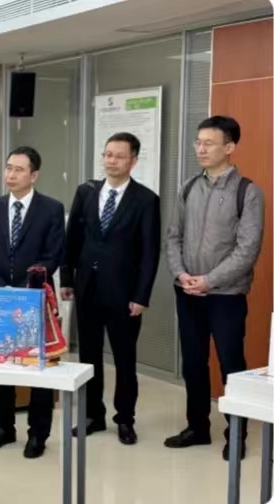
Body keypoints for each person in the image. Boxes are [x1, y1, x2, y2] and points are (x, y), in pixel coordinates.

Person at [164, 116, 264, 460]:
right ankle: (197, 427)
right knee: (193, 362)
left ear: (230, 147)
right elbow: (173, 236)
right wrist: (182, 275)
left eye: (209, 143)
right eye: (198, 142)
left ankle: (236, 435)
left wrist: (209, 280)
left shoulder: (247, 192)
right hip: (187, 292)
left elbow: (247, 250)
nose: (201, 149)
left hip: (226, 296)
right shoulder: (189, 187)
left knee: (230, 364)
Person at [60, 132, 160, 446]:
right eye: (107, 154)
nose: (111, 161)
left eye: (119, 156)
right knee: (88, 357)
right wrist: (67, 279)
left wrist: (141, 296)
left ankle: (125, 419)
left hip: (124, 294)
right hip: (87, 288)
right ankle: (93, 415)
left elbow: (149, 253)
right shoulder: (86, 192)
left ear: (133, 160)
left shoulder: (146, 200)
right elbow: (72, 239)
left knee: (124, 359)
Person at [0, 145, 65, 459]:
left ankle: (38, 433)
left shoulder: (51, 209)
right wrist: (2, 289)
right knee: (2, 368)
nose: (11, 174)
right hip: (0, 301)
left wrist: (25, 291)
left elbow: (53, 256)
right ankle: (4, 427)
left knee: (37, 371)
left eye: (19, 169)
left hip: (34, 302)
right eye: (8, 168)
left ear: (34, 175)